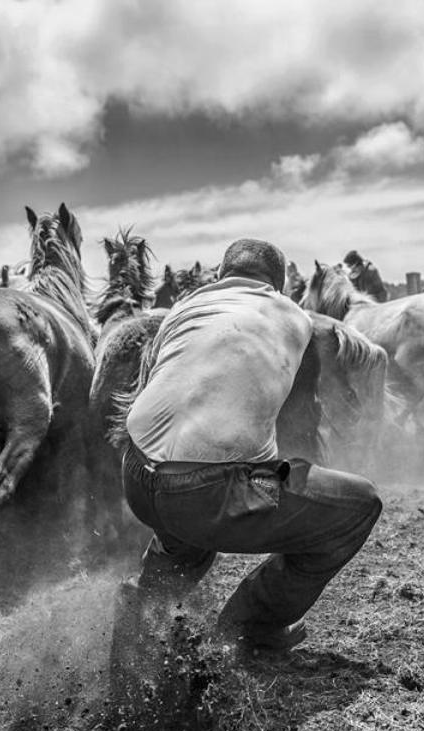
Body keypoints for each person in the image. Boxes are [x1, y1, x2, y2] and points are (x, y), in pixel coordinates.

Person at [111, 238, 383, 693]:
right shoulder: (292, 316)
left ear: (220, 275)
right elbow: (298, 419)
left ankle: (143, 610)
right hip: (207, 492)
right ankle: (249, 628)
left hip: (137, 473)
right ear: (277, 286)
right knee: (360, 506)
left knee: (187, 534)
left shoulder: (182, 309)